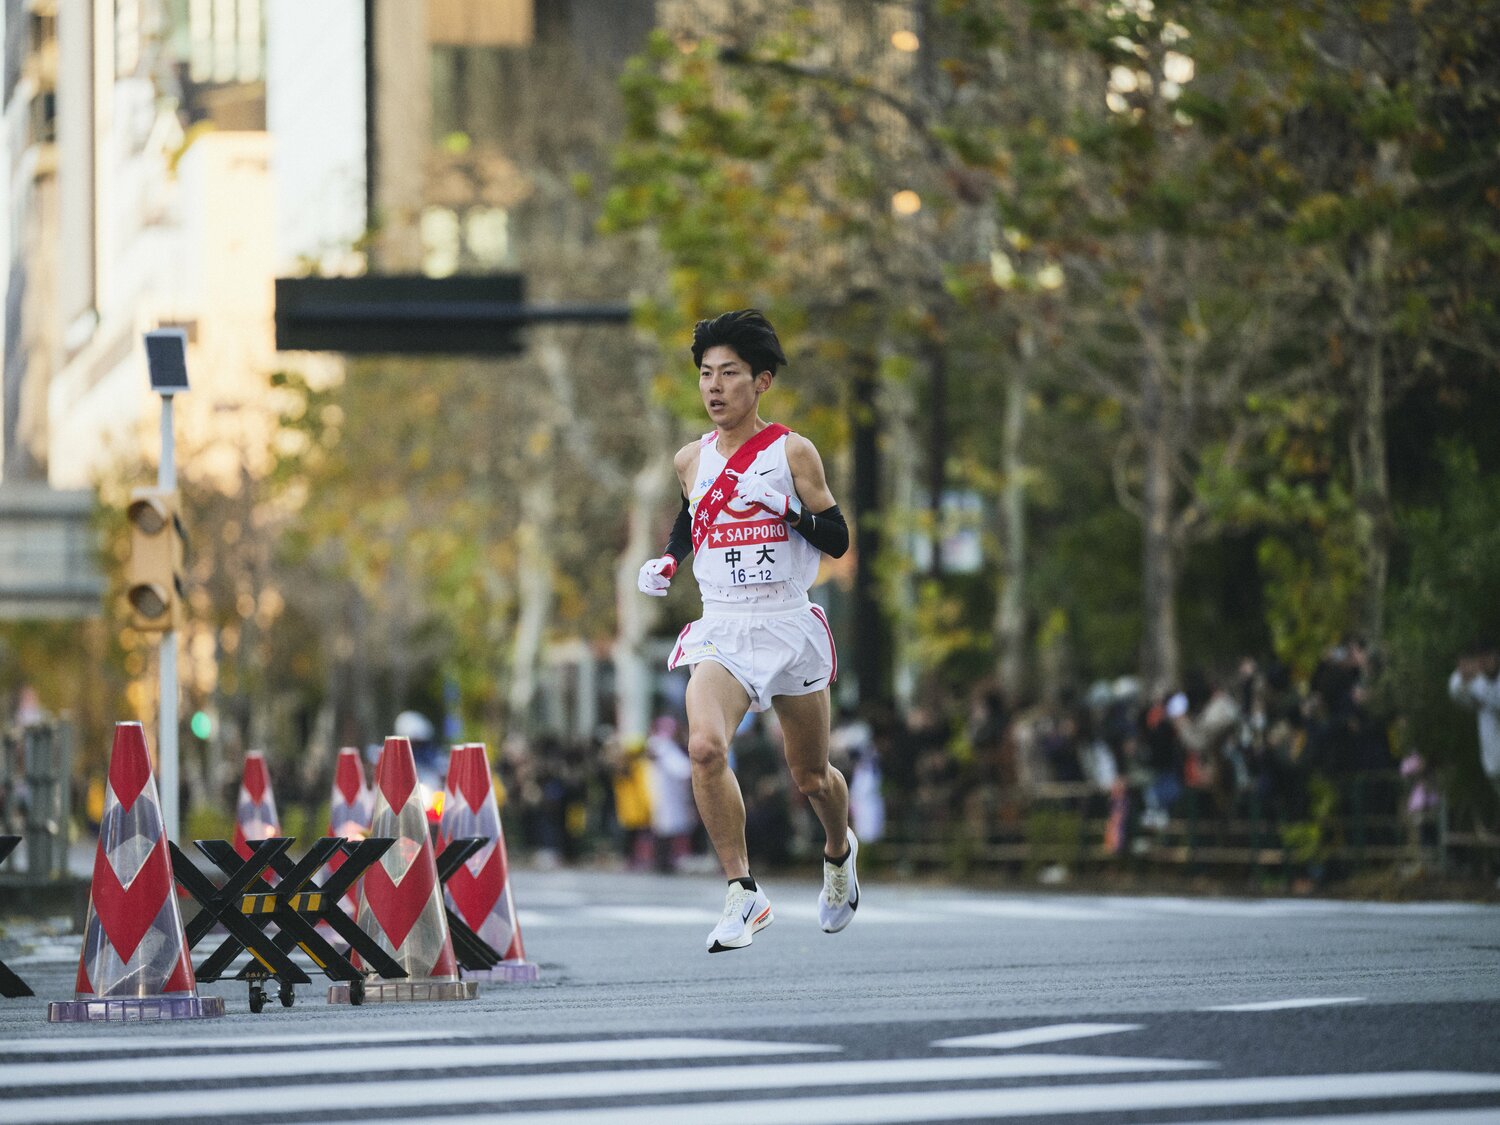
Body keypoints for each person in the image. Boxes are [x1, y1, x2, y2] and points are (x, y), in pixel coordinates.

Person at [637, 309, 857, 952]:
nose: (714, 386)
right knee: (704, 748)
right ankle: (743, 891)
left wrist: (786, 509)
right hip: (723, 625)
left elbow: (838, 539)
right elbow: (691, 519)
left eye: (729, 373)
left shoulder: (793, 451)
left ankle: (839, 854)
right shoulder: (690, 458)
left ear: (761, 381)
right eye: (706, 374)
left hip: (786, 621)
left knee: (811, 776)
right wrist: (668, 560)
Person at [1448, 642, 1500, 804]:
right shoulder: (1479, 682)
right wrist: (1466, 674)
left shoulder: (1482, 683)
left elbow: (1495, 699)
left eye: (1488, 656)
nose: (1484, 662)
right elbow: (1455, 688)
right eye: (1480, 658)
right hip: (1494, 764)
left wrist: (1475, 678)